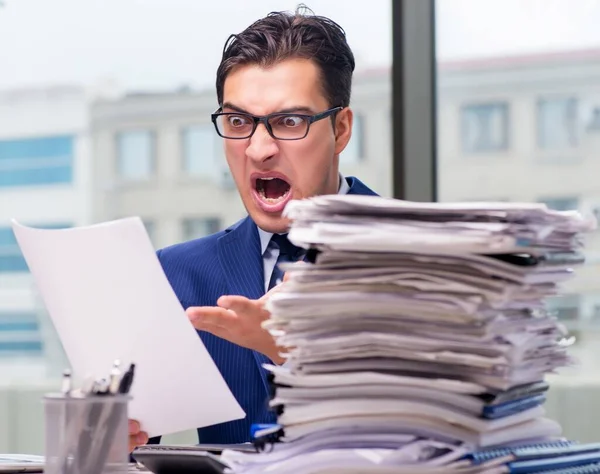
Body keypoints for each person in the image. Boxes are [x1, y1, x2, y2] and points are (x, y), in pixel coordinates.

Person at [128, 5, 378, 452]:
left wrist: (292, 354)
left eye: (289, 121)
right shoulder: (177, 272)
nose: (258, 149)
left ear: (340, 130)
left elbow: (452, 437)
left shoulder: (427, 260)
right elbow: (134, 446)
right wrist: (108, 435)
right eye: (239, 122)